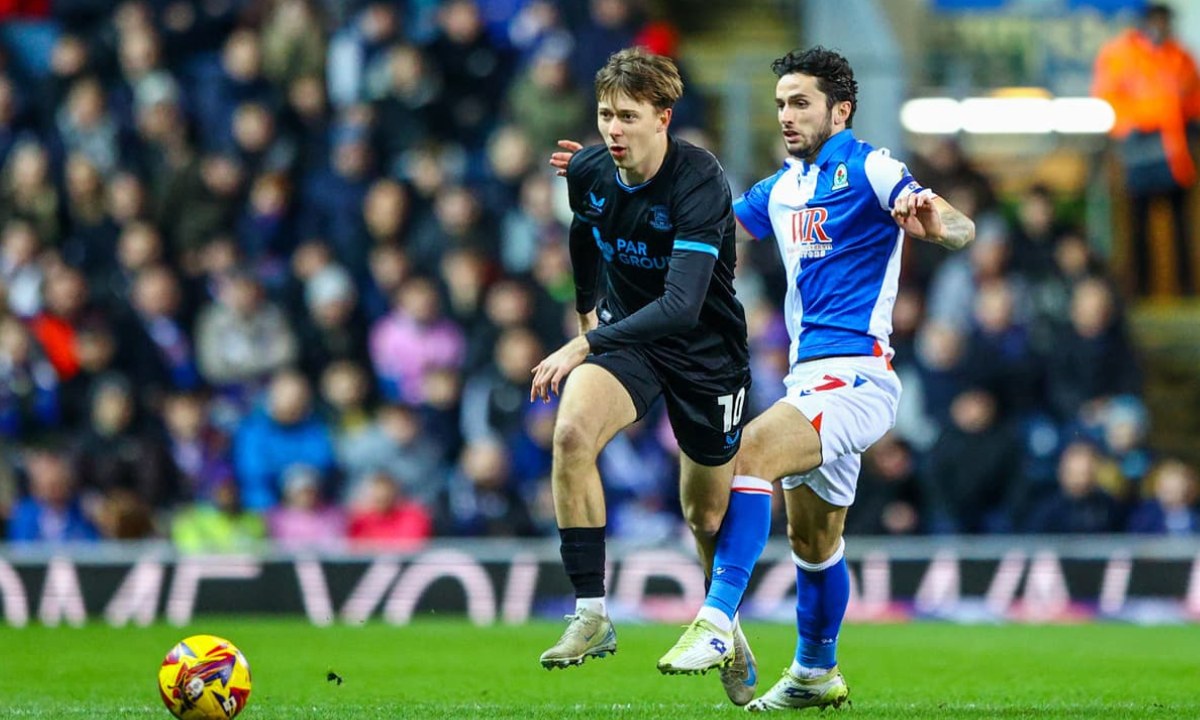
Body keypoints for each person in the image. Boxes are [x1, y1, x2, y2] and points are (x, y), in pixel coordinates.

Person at [551, 45, 975, 710]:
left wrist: (939, 225)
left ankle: (718, 619)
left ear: (841, 110)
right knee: (814, 541)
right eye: (780, 103)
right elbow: (699, 224)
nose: (786, 114)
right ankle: (814, 673)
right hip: (810, 380)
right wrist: (615, 177)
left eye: (800, 102)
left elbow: (955, 222)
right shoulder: (779, 188)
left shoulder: (869, 168)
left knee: (747, 453)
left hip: (859, 375)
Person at [531, 47, 767, 706]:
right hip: (628, 339)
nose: (612, 129)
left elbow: (682, 306)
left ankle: (725, 626)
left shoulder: (700, 181)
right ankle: (591, 613)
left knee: (705, 516)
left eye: (627, 116)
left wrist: (585, 342)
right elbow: (584, 228)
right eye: (606, 114)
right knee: (572, 434)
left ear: (663, 118)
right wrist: (586, 309)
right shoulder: (589, 168)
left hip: (703, 352)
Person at [1092, 2, 1200, 296]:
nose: (1161, 27)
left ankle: (1186, 288)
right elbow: (1107, 97)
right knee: (1137, 224)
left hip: (1174, 153)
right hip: (1136, 151)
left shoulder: (1180, 56)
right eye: (1156, 21)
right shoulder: (1120, 54)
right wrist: (1134, 123)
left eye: (1165, 22)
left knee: (1181, 225)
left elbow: (1193, 99)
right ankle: (1140, 290)